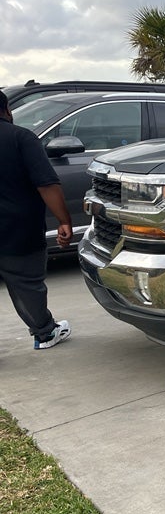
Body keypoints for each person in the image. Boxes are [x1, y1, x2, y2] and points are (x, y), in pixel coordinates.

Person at [0, 89, 74, 349]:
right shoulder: (20, 137)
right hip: (18, 231)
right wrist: (64, 221)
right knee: (27, 285)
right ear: (7, 110)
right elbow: (47, 184)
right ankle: (45, 333)